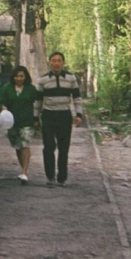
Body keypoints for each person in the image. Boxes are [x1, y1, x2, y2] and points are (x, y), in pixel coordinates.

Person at [34, 51, 83, 187]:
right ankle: (50, 177)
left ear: (63, 63)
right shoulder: (43, 80)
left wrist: (79, 115)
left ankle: (62, 178)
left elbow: (77, 98)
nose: (56, 63)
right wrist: (35, 117)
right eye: (53, 60)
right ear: (50, 62)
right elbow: (38, 101)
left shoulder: (71, 78)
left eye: (59, 60)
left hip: (64, 116)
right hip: (48, 116)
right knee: (48, 147)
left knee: (63, 148)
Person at [0, 66, 39, 184]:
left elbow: (38, 102)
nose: (19, 78)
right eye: (16, 76)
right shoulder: (7, 88)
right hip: (12, 122)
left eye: (21, 76)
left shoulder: (31, 89)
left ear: (25, 77)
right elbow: (2, 101)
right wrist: (3, 107)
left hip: (27, 121)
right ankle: (23, 170)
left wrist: (36, 118)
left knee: (25, 144)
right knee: (18, 146)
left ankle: (24, 172)